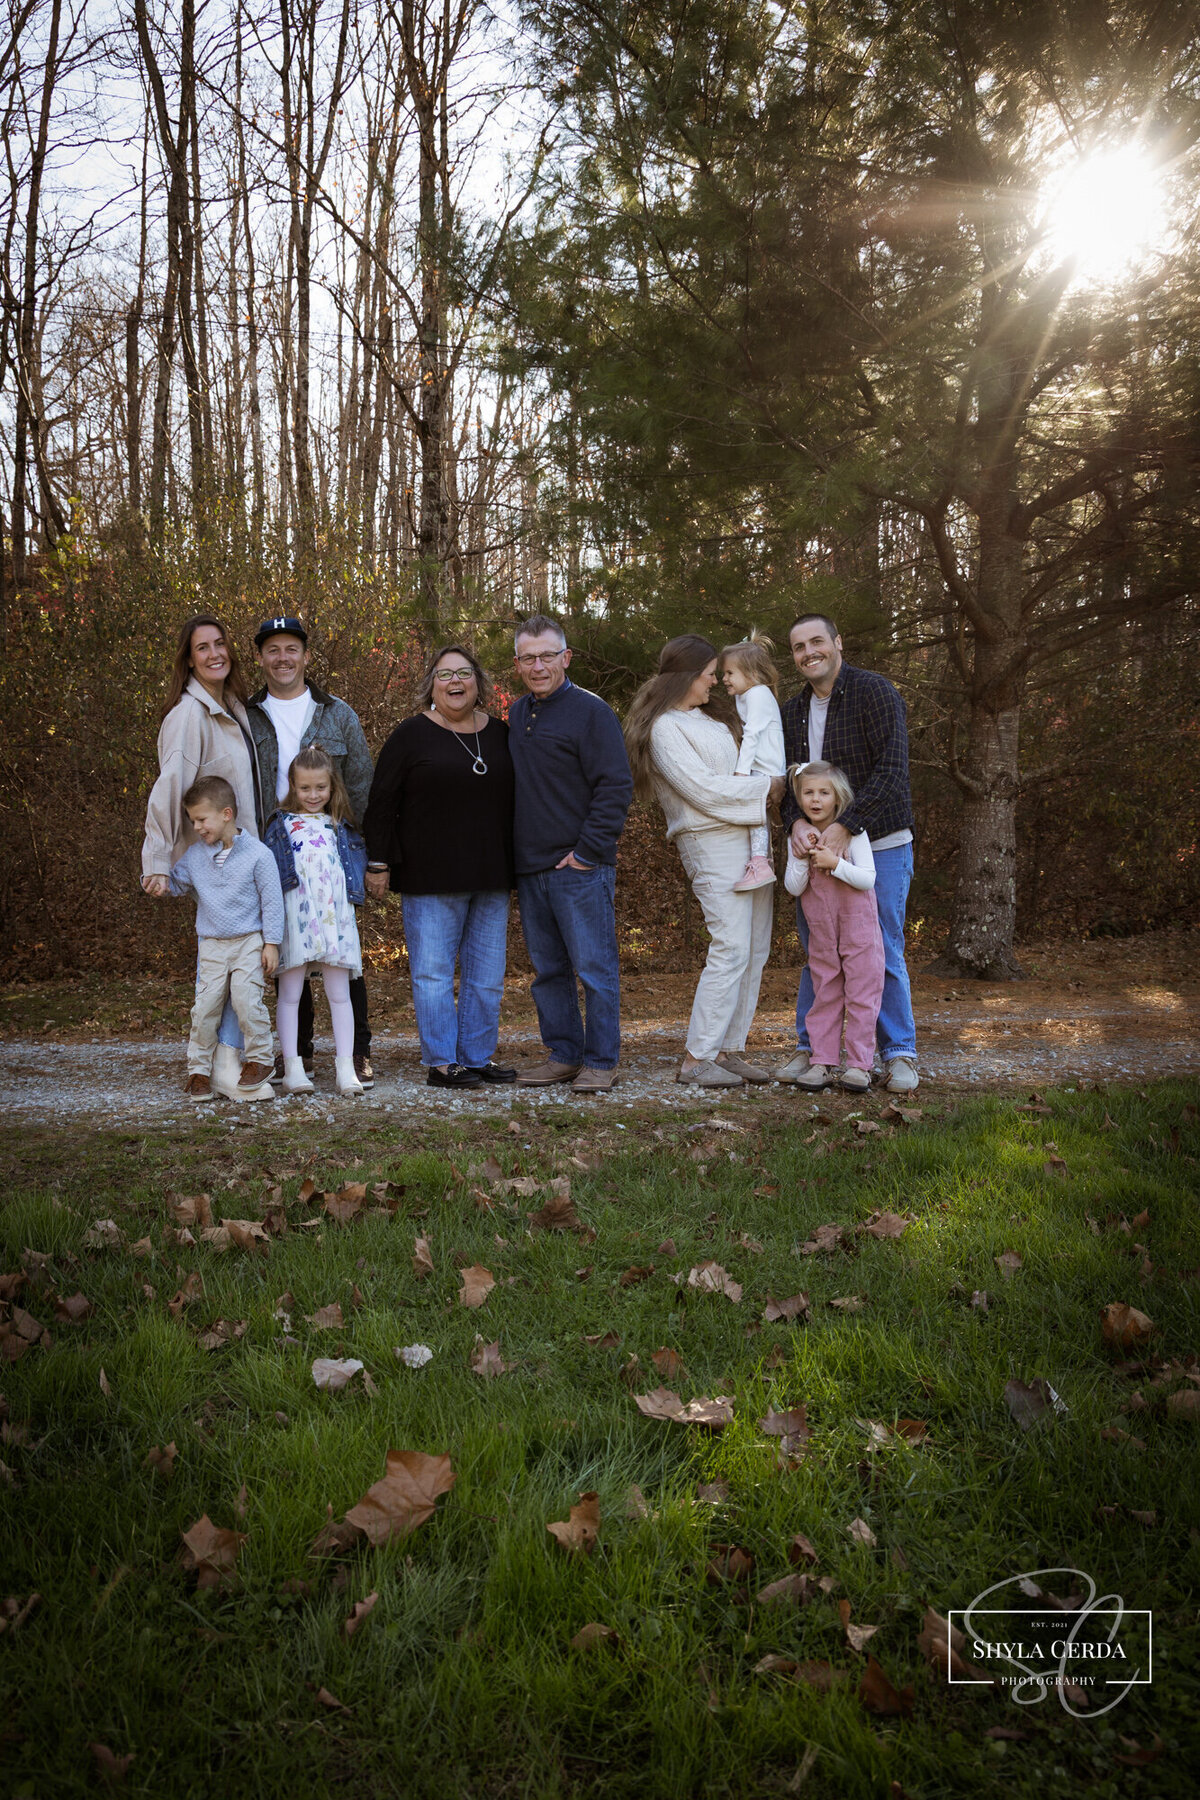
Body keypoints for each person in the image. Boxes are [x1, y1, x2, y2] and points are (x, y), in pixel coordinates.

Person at [625, 635, 780, 1089]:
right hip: (710, 842)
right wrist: (766, 790)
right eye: (710, 673)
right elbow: (702, 790)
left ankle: (728, 1050)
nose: (716, 680)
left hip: (750, 840)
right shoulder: (665, 729)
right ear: (687, 677)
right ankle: (696, 1058)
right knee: (730, 946)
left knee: (754, 948)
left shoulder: (709, 720)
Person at [362, 645, 515, 1092]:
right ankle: (443, 1062)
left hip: (491, 874)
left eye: (464, 673)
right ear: (431, 683)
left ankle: (476, 1057)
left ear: (478, 683)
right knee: (432, 974)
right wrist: (378, 861)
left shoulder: (501, 734)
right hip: (429, 877)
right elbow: (381, 803)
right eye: (445, 673)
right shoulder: (410, 734)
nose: (455, 681)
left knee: (486, 976)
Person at [777, 613, 919, 1094]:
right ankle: (813, 1048)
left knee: (880, 950)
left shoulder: (874, 692)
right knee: (820, 953)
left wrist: (845, 826)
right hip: (816, 849)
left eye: (817, 641)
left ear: (838, 642)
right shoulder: (790, 710)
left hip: (879, 841)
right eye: (799, 646)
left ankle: (897, 1052)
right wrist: (795, 822)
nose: (808, 652)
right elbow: (785, 784)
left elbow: (892, 768)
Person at [246, 615, 377, 1087]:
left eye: (291, 648)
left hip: (332, 852)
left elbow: (362, 787)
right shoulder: (247, 715)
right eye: (273, 649)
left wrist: (374, 858)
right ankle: (294, 1057)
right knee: (289, 960)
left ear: (305, 655)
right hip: (272, 849)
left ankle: (356, 1054)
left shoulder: (337, 713)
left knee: (344, 959)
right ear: (261, 657)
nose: (283, 657)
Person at [140, 612, 266, 1100]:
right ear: (188, 659)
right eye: (202, 648)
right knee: (222, 964)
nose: (215, 653)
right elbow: (169, 786)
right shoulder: (188, 715)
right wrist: (156, 859)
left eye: (220, 644)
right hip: (213, 860)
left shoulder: (232, 705)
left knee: (243, 963)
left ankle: (225, 1059)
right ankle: (223, 1062)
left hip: (243, 853)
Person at [508, 614, 633, 1094]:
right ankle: (564, 1054)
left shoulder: (591, 712)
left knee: (595, 969)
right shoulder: (519, 715)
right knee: (549, 972)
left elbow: (615, 786)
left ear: (566, 657)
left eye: (546, 655)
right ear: (518, 664)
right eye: (528, 658)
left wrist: (587, 852)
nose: (538, 666)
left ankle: (602, 1060)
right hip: (531, 866)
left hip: (580, 868)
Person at [154, 776, 284, 1102]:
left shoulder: (258, 854)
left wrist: (272, 943)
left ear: (226, 814)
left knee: (246, 1000)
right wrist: (159, 879)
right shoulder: (196, 856)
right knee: (205, 1008)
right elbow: (178, 883)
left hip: (249, 942)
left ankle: (261, 1059)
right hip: (211, 944)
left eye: (201, 819)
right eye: (193, 821)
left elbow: (272, 901)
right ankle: (199, 1071)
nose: (196, 827)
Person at [264, 746, 368, 1096]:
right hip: (295, 918)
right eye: (304, 788)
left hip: (333, 918)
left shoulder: (341, 826)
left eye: (320, 788)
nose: (312, 795)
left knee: (340, 995)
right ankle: (293, 1067)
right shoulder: (281, 825)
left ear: (332, 787)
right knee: (291, 995)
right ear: (292, 786)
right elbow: (267, 877)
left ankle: (344, 1068)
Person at [783, 762, 884, 1093]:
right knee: (825, 992)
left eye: (823, 793)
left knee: (861, 993)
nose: (816, 799)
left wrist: (835, 864)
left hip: (859, 931)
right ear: (799, 798)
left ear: (836, 797)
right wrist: (802, 857)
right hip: (823, 932)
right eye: (808, 793)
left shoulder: (854, 833)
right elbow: (794, 888)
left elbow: (867, 878)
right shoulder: (798, 838)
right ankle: (822, 1061)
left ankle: (858, 1065)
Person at [721, 630, 786, 892]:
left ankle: (759, 864)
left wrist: (741, 773)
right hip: (761, 765)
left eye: (729, 673)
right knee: (756, 811)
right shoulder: (743, 695)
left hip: (766, 767)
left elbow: (752, 735)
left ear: (752, 674)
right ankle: (761, 860)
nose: (723, 678)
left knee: (754, 811)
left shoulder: (758, 693)